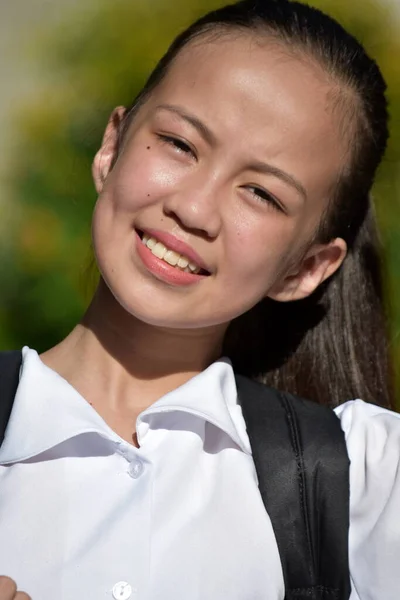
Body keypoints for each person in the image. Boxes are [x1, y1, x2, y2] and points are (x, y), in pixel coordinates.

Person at [0, 0, 398, 598]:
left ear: (307, 268)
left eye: (261, 193)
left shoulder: (366, 476)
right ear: (112, 145)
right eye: (181, 144)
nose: (193, 209)